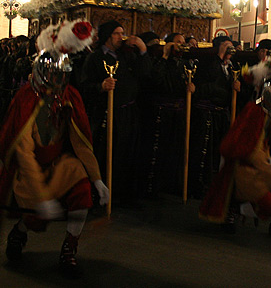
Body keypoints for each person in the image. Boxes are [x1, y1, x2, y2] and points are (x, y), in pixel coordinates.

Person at [0, 21, 108, 278]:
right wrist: (42, 195)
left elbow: (80, 142)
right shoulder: (26, 99)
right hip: (29, 167)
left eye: (62, 76)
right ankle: (20, 230)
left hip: (59, 162)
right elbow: (24, 152)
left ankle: (69, 249)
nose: (58, 81)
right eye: (53, 76)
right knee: (37, 213)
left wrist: (97, 179)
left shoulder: (69, 96)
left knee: (81, 190)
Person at [200, 75, 271, 243]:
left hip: (263, 163)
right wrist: (266, 170)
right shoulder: (253, 111)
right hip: (243, 165)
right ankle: (234, 207)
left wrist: (270, 165)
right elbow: (239, 148)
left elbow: (266, 146)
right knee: (268, 208)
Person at [79, 20, 151, 203]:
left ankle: (124, 194)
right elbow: (84, 86)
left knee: (128, 155)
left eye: (122, 33)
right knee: (108, 155)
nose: (121, 37)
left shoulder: (127, 56)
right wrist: (101, 86)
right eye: (117, 33)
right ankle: (102, 194)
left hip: (128, 114)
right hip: (107, 114)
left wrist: (143, 51)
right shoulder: (94, 58)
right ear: (107, 36)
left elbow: (144, 76)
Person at [142, 32, 195, 196]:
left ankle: (172, 185)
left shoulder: (185, 63)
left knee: (176, 150)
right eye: (177, 42)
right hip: (161, 111)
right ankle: (153, 187)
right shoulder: (159, 60)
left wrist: (191, 87)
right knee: (159, 150)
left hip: (178, 112)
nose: (181, 45)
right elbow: (156, 80)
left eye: (183, 42)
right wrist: (165, 56)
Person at [190, 35, 240, 198]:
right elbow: (208, 83)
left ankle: (217, 183)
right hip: (207, 113)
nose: (229, 51)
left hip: (221, 114)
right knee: (205, 151)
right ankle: (200, 185)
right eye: (226, 47)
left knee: (220, 151)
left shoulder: (233, 67)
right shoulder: (208, 64)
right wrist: (219, 56)